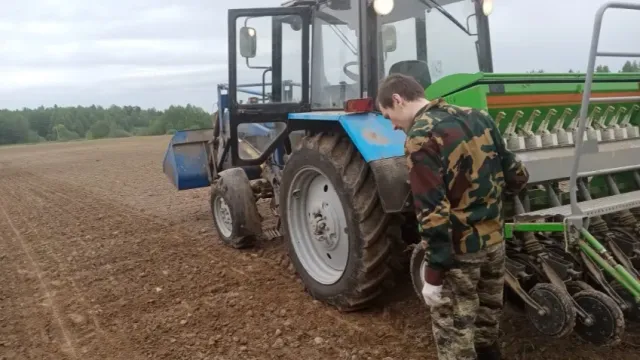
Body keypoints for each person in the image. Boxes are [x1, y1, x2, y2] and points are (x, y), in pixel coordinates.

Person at [376, 73, 529, 360]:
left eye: (388, 116)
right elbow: (517, 175)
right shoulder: (477, 116)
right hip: (495, 242)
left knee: (455, 333)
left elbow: (433, 213)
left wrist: (433, 276)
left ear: (397, 99)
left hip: (461, 251)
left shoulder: (420, 137)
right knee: (486, 321)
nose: (393, 125)